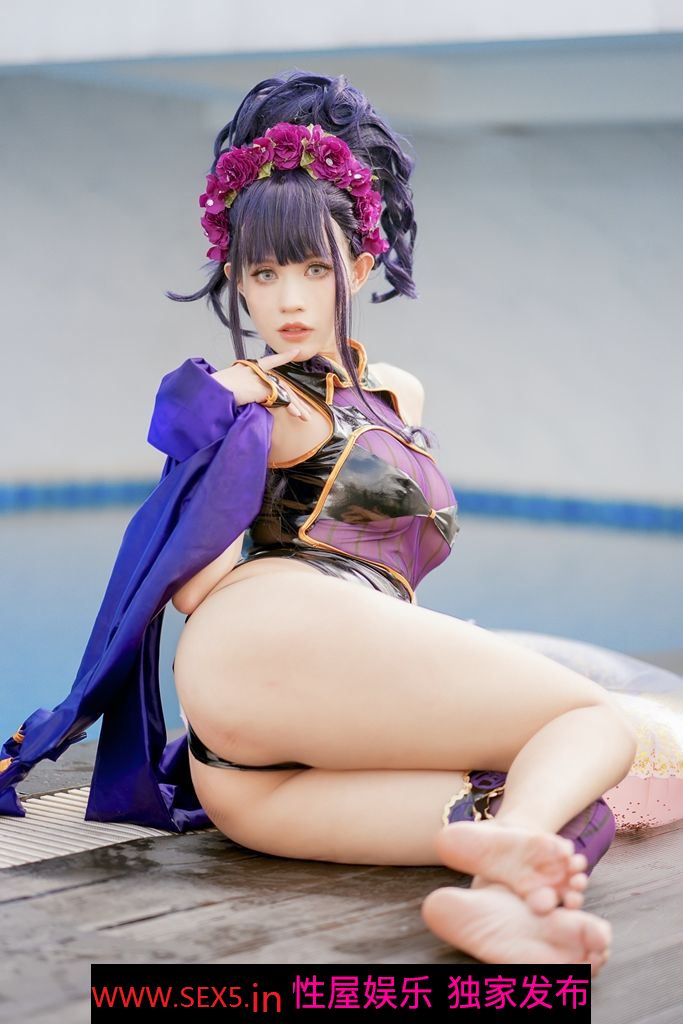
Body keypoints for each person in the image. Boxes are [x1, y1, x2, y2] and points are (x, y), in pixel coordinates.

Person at [2, 70, 681, 974]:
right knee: (592, 724)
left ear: (358, 270)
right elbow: (191, 567)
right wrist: (221, 406)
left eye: (313, 269)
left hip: (251, 787)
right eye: (263, 273)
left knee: (553, 801)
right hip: (273, 636)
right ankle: (507, 874)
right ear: (236, 281)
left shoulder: (396, 396)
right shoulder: (267, 401)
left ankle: (499, 905)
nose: (287, 300)